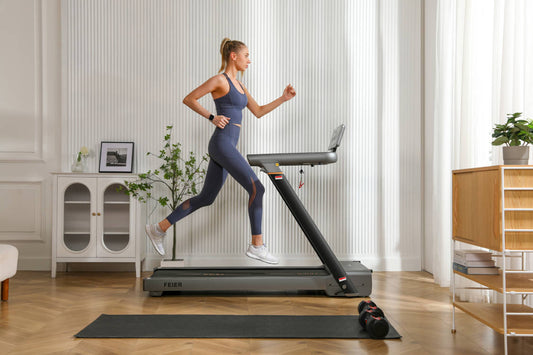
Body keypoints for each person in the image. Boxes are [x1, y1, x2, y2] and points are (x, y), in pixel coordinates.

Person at [145, 38, 296, 264]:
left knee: (206, 198)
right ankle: (257, 245)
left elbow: (259, 111)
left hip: (226, 146)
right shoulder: (220, 80)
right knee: (258, 188)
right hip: (221, 144)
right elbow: (189, 98)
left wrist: (283, 98)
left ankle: (158, 228)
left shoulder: (240, 86)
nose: (249, 60)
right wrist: (212, 117)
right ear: (233, 56)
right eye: (246, 55)